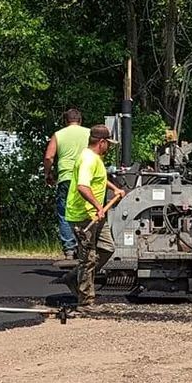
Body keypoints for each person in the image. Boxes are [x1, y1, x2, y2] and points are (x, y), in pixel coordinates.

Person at [66, 124, 124, 308]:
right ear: (101, 142)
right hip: (83, 216)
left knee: (107, 248)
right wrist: (99, 206)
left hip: (95, 214)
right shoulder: (87, 159)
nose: (109, 147)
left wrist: (114, 188)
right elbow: (83, 186)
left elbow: (98, 178)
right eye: (108, 143)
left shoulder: (95, 159)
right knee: (88, 257)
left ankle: (74, 277)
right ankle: (86, 300)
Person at [43, 107, 89, 262]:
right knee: (85, 212)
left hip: (66, 178)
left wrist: (48, 174)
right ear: (80, 120)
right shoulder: (89, 133)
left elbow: (49, 157)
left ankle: (69, 249)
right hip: (85, 178)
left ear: (65, 121)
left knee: (64, 213)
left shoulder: (58, 135)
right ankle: (85, 246)